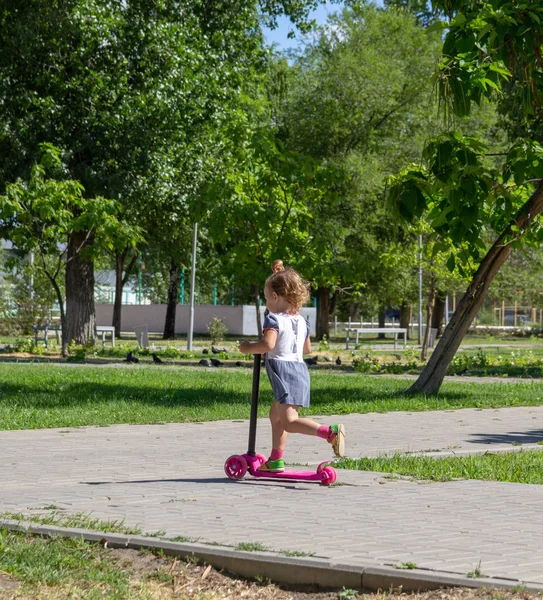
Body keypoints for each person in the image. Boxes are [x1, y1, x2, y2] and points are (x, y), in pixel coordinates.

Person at [239, 263, 345, 473]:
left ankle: (329, 432)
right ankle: (276, 459)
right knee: (275, 416)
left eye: (267, 298)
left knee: (289, 422)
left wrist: (248, 348)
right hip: (299, 370)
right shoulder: (301, 321)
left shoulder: (273, 319)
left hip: (284, 373)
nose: (267, 302)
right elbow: (306, 349)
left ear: (276, 297)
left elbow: (268, 344)